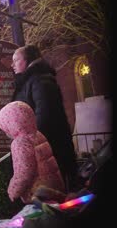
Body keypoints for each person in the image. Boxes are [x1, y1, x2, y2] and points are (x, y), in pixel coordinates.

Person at [11, 45, 77, 191]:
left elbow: (45, 115)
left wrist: (33, 141)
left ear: (28, 60)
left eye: (16, 60)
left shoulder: (40, 80)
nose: (12, 65)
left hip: (50, 147)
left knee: (54, 194)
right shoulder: (32, 81)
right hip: (42, 147)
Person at [0, 101, 65, 203]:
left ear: (13, 125)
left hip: (38, 193)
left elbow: (24, 172)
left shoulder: (20, 143)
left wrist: (13, 191)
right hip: (54, 186)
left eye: (6, 128)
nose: (6, 132)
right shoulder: (37, 134)